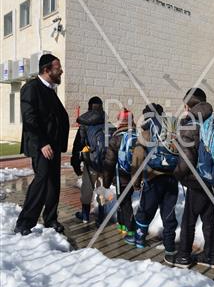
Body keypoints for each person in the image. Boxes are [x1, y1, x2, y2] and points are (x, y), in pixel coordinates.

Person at [14, 54, 69, 235]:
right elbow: (30, 120)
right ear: (46, 70)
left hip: (52, 145)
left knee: (54, 183)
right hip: (41, 145)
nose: (61, 71)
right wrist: (43, 143)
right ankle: (24, 222)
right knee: (41, 181)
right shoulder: (31, 88)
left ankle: (50, 218)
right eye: (57, 68)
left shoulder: (50, 89)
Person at [173, 88, 214, 269]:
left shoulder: (190, 122)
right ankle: (211, 256)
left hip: (195, 179)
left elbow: (187, 158)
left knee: (188, 220)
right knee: (209, 219)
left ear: (188, 104)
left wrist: (177, 173)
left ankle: (184, 256)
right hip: (211, 177)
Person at [131, 103, 179, 256]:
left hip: (153, 178)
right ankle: (170, 246)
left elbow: (137, 158)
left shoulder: (146, 133)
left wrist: (136, 182)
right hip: (172, 178)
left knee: (145, 209)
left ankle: (139, 239)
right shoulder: (171, 131)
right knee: (169, 212)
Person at [71, 96, 107, 226]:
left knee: (87, 189)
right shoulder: (105, 121)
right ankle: (101, 218)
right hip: (105, 163)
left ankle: (85, 216)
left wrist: (75, 163)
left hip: (90, 162)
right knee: (101, 190)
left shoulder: (85, 123)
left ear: (89, 107)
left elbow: (78, 145)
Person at [103, 108, 136, 237]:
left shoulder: (116, 138)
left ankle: (130, 229)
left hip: (120, 177)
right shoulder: (138, 135)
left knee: (124, 201)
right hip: (134, 175)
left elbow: (109, 163)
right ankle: (122, 224)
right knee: (124, 200)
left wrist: (106, 182)